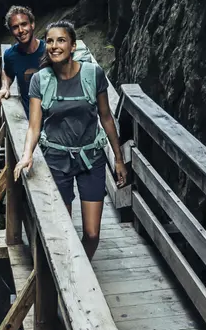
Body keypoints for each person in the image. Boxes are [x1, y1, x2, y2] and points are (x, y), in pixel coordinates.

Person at [13, 20, 127, 259]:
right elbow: (34, 127)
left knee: (92, 234)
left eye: (61, 40)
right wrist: (26, 156)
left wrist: (118, 159)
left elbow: (106, 118)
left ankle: (82, 267)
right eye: (51, 41)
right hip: (56, 159)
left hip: (91, 158)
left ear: (73, 46)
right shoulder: (40, 80)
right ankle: (74, 278)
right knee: (64, 232)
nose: (55, 46)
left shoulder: (92, 74)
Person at [0, 5, 45, 114]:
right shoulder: (10, 55)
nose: (21, 30)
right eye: (15, 27)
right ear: (11, 31)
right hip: (30, 118)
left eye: (24, 24)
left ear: (32, 25)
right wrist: (5, 86)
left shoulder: (49, 51)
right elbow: (7, 72)